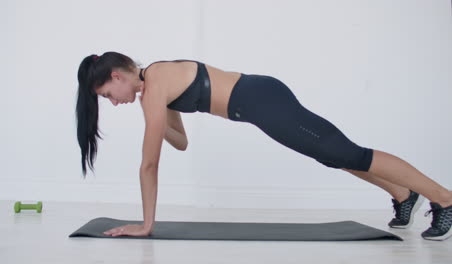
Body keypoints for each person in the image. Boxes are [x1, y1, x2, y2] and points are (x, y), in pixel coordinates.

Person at [76, 51, 452, 241]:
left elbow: (149, 166)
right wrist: (153, 122)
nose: (113, 102)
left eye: (109, 94)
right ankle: (403, 194)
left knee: (347, 152)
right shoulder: (153, 90)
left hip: (261, 100)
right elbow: (181, 143)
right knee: (332, 154)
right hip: (257, 101)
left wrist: (146, 225)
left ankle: (444, 198)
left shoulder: (156, 82)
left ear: (116, 75)